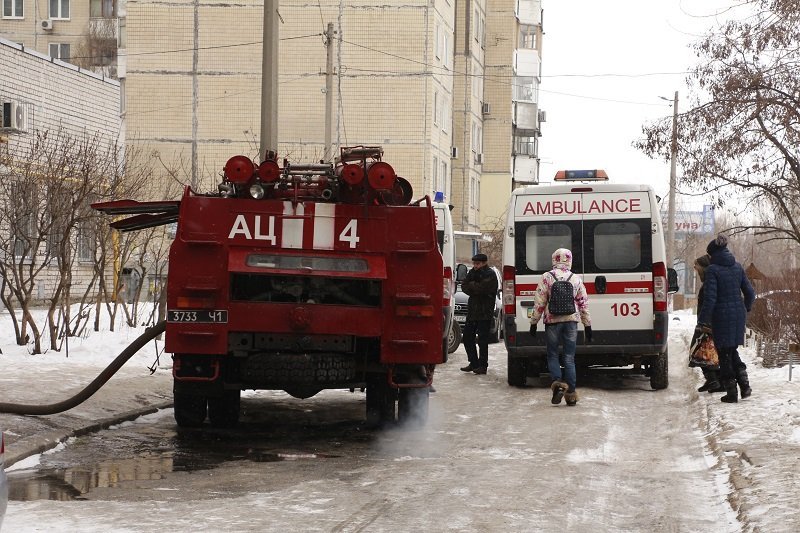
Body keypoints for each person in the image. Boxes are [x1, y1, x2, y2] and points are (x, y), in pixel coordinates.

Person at [528, 248, 591, 406]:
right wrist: (587, 325)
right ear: (570, 260)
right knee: (569, 357)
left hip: (552, 321)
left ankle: (558, 383)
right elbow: (583, 303)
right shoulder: (575, 278)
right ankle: (571, 394)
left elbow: (539, 302)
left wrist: (534, 322)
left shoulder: (547, 277)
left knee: (553, 355)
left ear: (554, 259)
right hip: (571, 321)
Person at [697, 234, 756, 403]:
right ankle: (745, 386)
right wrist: (746, 308)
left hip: (721, 316)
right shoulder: (737, 267)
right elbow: (750, 293)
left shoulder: (712, 270)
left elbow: (710, 299)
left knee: (724, 353)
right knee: (731, 350)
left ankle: (732, 392)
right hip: (738, 315)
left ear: (713, 254)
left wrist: (702, 320)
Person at [460, 253, 498, 375]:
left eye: (478, 263)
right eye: (474, 263)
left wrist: (473, 286)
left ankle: (482, 365)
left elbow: (483, 288)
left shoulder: (490, 274)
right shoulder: (472, 272)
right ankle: (473, 363)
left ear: (484, 263)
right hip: (473, 311)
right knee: (467, 337)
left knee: (482, 340)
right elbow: (464, 286)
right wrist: (475, 287)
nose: (475, 266)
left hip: (484, 312)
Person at [691, 254, 725, 393]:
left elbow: (710, 303)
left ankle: (712, 380)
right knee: (709, 352)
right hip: (710, 322)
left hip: (708, 323)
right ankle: (715, 380)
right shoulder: (710, 282)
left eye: (697, 266)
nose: (695, 268)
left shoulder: (709, 284)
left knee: (700, 351)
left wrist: (704, 323)